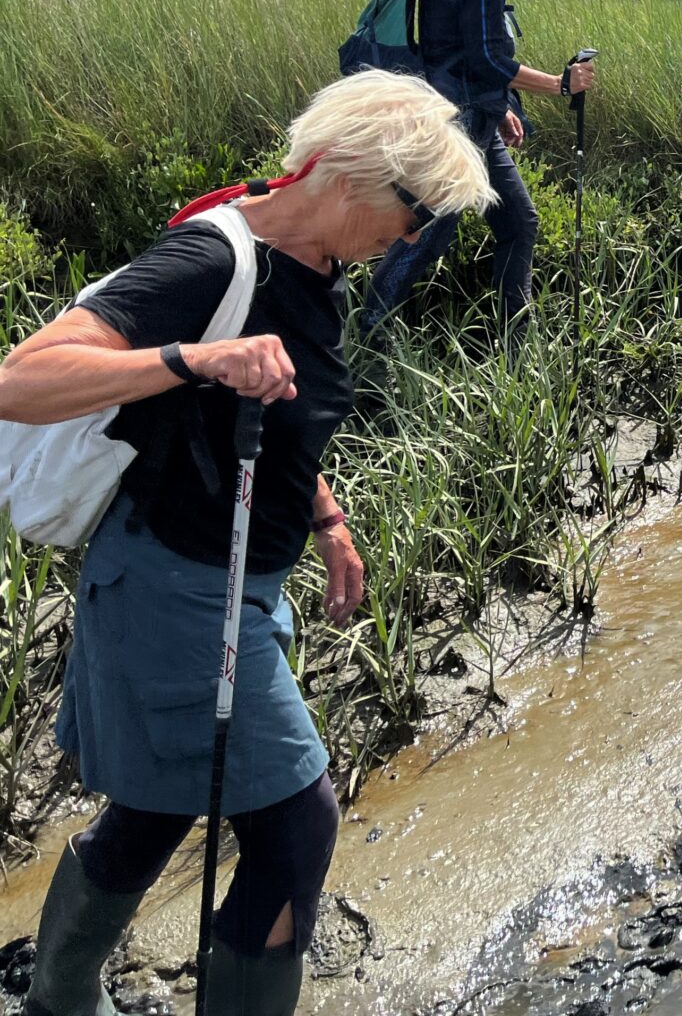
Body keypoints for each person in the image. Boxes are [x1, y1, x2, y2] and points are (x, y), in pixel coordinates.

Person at [0, 71, 494, 1015]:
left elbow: (273, 415)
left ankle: (59, 1002)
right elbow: (21, 378)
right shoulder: (212, 263)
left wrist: (327, 519)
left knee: (153, 806)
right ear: (356, 175)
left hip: (237, 586)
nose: (415, 237)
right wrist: (194, 356)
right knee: (299, 826)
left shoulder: (319, 270)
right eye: (417, 212)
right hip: (169, 588)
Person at [359, 0, 595, 343]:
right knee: (427, 234)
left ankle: (514, 340)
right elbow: (489, 59)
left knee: (518, 222)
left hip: (474, 119)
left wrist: (500, 103)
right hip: (458, 129)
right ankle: (370, 330)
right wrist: (559, 84)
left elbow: (458, 55)